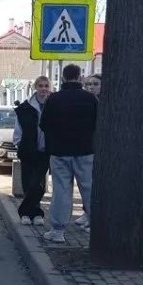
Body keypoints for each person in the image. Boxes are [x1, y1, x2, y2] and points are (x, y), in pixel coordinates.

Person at [39, 64, 97, 243]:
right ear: (80, 77)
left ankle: (58, 231)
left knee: (61, 190)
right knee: (89, 188)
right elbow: (99, 122)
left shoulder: (54, 99)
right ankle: (98, 227)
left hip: (59, 151)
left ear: (63, 78)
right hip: (85, 150)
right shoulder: (91, 99)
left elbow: (44, 124)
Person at [12, 76, 52, 226]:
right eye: (40, 86)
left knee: (38, 184)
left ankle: (26, 211)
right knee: (28, 182)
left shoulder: (52, 105)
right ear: (36, 88)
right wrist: (19, 144)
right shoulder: (25, 108)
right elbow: (18, 130)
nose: (43, 89)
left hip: (45, 151)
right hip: (28, 150)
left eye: (46, 86)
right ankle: (32, 214)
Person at [74, 73, 102, 228]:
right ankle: (87, 212)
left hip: (99, 149)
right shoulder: (85, 102)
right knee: (86, 183)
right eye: (89, 84)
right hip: (86, 147)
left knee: (94, 184)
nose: (91, 87)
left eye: (95, 84)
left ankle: (94, 217)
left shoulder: (103, 103)